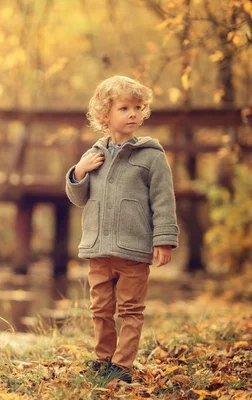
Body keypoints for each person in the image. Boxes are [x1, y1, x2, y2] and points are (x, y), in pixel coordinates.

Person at [65, 75, 179, 383]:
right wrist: (78, 171)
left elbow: (163, 199)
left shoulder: (151, 156)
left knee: (130, 309)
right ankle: (104, 359)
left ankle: (122, 366)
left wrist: (164, 240)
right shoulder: (93, 155)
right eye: (125, 108)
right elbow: (78, 197)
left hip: (133, 249)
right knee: (100, 308)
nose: (133, 114)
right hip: (99, 248)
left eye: (138, 108)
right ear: (105, 115)